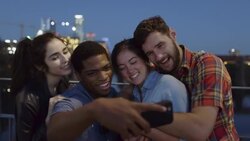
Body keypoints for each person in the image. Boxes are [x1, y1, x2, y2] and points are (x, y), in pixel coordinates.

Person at [133, 16, 239, 140]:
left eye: (160, 45)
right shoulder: (158, 74)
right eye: (150, 53)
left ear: (172, 35)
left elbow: (200, 129)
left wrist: (140, 118)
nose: (158, 57)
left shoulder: (207, 64)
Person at [47, 41, 167, 141]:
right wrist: (94, 109)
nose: (103, 76)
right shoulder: (72, 100)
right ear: (78, 76)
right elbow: (53, 133)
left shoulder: (116, 96)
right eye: (92, 73)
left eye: (106, 68)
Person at [111, 38, 188, 140]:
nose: (129, 70)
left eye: (133, 62)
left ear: (145, 59)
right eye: (122, 67)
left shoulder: (168, 84)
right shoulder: (135, 92)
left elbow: (185, 137)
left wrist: (140, 129)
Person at [11, 32, 72, 141]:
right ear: (40, 66)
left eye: (65, 51)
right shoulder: (27, 99)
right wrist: (49, 120)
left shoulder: (64, 83)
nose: (65, 59)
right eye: (55, 58)